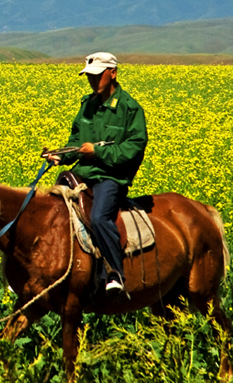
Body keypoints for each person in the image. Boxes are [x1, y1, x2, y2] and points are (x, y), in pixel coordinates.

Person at [44, 52, 148, 294]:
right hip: (82, 173)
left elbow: (134, 148)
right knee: (49, 210)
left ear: (112, 73)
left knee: (100, 217)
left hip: (111, 177)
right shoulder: (87, 105)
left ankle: (114, 273)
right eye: (89, 76)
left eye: (96, 75)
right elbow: (77, 141)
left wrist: (98, 153)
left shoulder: (130, 109)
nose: (92, 80)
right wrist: (61, 156)